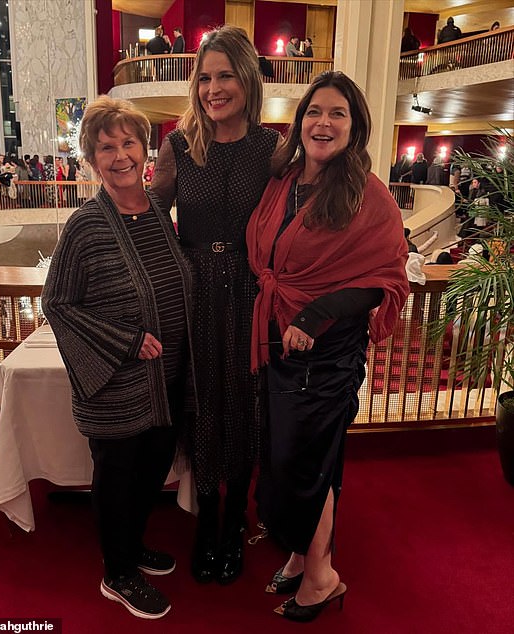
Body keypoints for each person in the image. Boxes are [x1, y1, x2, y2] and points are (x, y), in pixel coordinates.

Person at [246, 70, 409, 622]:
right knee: (291, 458)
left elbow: (383, 279)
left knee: (305, 462)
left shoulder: (369, 195)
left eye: (338, 113)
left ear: (354, 126)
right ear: (300, 123)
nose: (323, 122)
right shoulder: (285, 181)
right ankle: (303, 556)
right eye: (314, 111)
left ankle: (322, 578)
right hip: (279, 342)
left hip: (328, 353)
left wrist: (315, 315)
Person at [41, 95, 195, 620]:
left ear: (144, 150)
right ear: (91, 159)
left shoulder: (157, 212)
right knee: (118, 476)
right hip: (117, 384)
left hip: (167, 376)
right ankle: (117, 572)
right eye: (106, 147)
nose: (120, 155)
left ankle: (132, 546)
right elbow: (57, 303)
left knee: (152, 470)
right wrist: (125, 341)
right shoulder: (85, 226)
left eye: (128, 143)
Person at [151, 25, 280, 586]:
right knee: (201, 401)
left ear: (247, 80)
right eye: (204, 78)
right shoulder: (179, 146)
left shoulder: (272, 149)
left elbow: (296, 217)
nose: (213, 89)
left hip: (251, 293)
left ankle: (235, 518)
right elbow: (152, 218)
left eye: (225, 76)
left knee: (246, 402)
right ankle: (206, 516)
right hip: (195, 291)